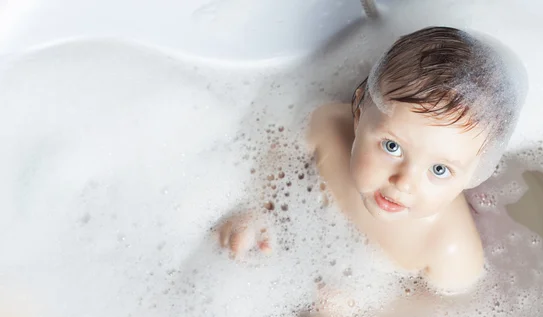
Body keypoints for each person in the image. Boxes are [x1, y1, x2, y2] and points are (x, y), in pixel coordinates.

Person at [217, 26, 526, 293]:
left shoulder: (449, 250)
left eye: (439, 169)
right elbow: (279, 152)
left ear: (476, 172)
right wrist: (258, 208)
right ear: (359, 111)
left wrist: (361, 311)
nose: (403, 182)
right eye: (392, 146)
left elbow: (435, 316)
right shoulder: (328, 127)